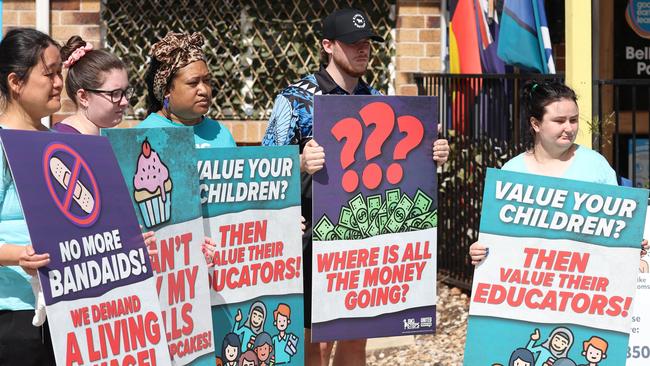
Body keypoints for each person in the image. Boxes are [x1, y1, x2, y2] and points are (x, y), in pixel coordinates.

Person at [261, 8, 449, 366]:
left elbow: (402, 164)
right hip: (310, 237)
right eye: (352, 44)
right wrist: (299, 163)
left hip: (362, 236)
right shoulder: (295, 99)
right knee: (313, 345)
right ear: (328, 46)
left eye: (367, 43)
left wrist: (434, 153)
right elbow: (265, 171)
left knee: (354, 339)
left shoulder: (377, 99)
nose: (362, 50)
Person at [469, 81, 648, 265]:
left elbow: (618, 228)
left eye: (574, 120)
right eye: (559, 121)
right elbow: (498, 239)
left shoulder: (595, 165)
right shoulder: (512, 171)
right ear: (536, 124)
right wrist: (481, 251)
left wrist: (631, 243)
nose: (569, 128)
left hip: (585, 284)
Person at [0, 27, 62, 365]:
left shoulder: (61, 144)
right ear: (15, 82)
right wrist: (18, 255)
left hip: (66, 311)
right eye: (49, 73)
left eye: (60, 72)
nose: (58, 83)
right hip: (17, 317)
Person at [137, 32, 236, 149]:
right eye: (193, 83)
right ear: (166, 90)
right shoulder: (142, 136)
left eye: (207, 80)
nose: (204, 90)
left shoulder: (220, 134)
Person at [54, 35, 133, 135]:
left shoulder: (98, 139)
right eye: (115, 93)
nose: (125, 102)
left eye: (126, 92)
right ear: (84, 97)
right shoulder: (64, 142)